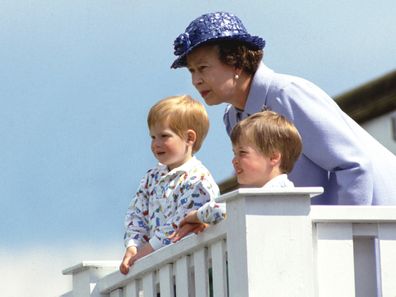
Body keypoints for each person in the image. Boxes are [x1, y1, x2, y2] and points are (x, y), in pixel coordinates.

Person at [170, 11, 396, 205]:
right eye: (191, 71)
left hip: (379, 231)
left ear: (236, 62)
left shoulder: (287, 93)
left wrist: (346, 238)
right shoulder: (233, 118)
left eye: (202, 68)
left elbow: (353, 164)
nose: (196, 80)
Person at [119, 95, 220, 275]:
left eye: (164, 136)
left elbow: (180, 222)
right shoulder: (152, 177)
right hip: (158, 271)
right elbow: (136, 212)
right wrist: (133, 246)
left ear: (189, 138)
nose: (156, 144)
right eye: (153, 137)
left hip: (191, 269)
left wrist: (146, 251)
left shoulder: (198, 179)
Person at [170, 110, 302, 242]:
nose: (234, 160)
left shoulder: (279, 192)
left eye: (243, 153)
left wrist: (196, 216)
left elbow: (224, 210)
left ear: (273, 157)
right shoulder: (268, 193)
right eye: (235, 153)